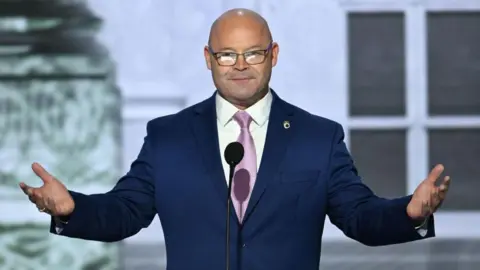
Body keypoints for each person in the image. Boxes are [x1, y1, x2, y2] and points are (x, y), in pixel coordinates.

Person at [20, 8, 451, 270]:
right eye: (226, 54)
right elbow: (124, 212)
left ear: (273, 55)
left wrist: (409, 212)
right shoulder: (168, 136)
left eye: (253, 53)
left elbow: (359, 217)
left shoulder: (317, 138)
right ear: (208, 59)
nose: (239, 65)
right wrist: (73, 208)